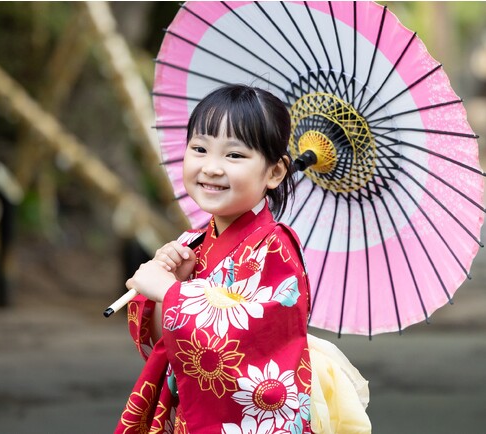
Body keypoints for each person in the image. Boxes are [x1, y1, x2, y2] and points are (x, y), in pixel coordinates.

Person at [115, 84, 371, 434]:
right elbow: (169, 341)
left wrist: (173, 294)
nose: (212, 168)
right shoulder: (192, 242)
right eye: (200, 149)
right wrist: (172, 284)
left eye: (234, 155)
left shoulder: (275, 248)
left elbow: (254, 341)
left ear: (275, 172)